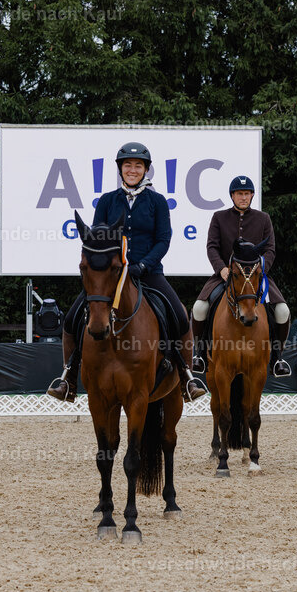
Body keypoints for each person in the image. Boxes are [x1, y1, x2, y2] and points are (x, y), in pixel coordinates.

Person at [47, 142, 207, 403]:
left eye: (138, 166)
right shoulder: (108, 201)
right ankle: (68, 377)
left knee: (179, 315)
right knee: (72, 318)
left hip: (149, 272)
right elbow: (98, 238)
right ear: (120, 169)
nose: (133, 170)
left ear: (146, 170)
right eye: (128, 165)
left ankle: (186, 377)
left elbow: (163, 239)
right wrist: (111, 267)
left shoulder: (157, 202)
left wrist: (143, 265)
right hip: (112, 276)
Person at [190, 176, 292, 377]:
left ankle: (278, 357)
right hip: (226, 275)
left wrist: (261, 269)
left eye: (247, 194)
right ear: (232, 196)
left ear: (252, 195)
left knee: (282, 311)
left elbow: (270, 249)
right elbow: (212, 247)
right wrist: (222, 269)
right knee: (199, 308)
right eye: (239, 194)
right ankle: (199, 354)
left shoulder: (263, 219)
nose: (243, 197)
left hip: (256, 277)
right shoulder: (219, 217)